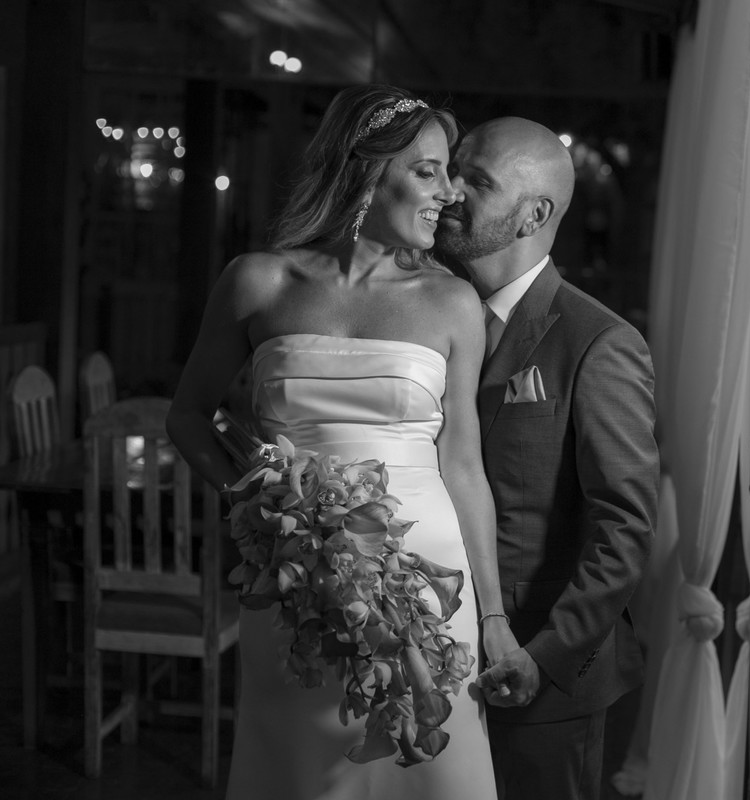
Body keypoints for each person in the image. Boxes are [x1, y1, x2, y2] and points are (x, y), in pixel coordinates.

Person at [166, 84, 516, 800]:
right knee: (296, 768)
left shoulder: (453, 303)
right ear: (364, 168)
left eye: (449, 172)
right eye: (428, 171)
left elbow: (466, 466)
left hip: (428, 575)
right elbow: (188, 417)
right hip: (295, 583)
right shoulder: (259, 281)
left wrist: (495, 620)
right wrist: (262, 507)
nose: (448, 193)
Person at [435, 117, 659, 800]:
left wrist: (546, 656)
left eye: (476, 179)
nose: (449, 191)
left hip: (543, 686)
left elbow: (624, 526)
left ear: (533, 213)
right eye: (452, 170)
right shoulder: (428, 319)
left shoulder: (599, 344)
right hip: (428, 659)